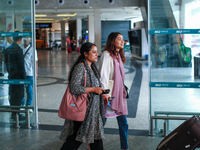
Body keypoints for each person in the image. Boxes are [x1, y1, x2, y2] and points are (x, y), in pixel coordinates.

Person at [59, 42, 109, 150]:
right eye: (93, 52)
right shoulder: (80, 67)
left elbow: (94, 86)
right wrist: (93, 89)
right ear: (85, 54)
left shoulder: (92, 67)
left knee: (96, 137)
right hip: (83, 109)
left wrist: (102, 94)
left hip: (92, 110)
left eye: (97, 52)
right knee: (77, 137)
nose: (96, 54)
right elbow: (74, 88)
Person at [99, 32, 129, 150]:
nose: (122, 41)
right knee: (101, 122)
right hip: (110, 95)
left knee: (123, 123)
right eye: (119, 39)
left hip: (119, 94)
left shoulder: (118, 55)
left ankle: (125, 147)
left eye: (122, 39)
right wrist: (105, 94)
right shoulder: (107, 55)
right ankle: (93, 144)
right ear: (112, 41)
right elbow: (103, 76)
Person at [6, 23, 38, 113]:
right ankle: (22, 105)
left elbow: (35, 62)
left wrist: (36, 73)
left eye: (28, 38)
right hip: (20, 73)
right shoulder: (19, 48)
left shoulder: (32, 49)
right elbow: (10, 40)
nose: (26, 39)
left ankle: (28, 105)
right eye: (25, 38)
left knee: (29, 90)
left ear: (30, 40)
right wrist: (8, 31)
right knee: (21, 90)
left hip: (28, 73)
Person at [4, 30, 26, 119]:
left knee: (12, 94)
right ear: (20, 39)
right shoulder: (19, 50)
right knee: (19, 95)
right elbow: (21, 66)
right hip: (18, 77)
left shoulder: (7, 50)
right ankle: (16, 114)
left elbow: (6, 63)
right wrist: (24, 79)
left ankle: (14, 113)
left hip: (11, 75)